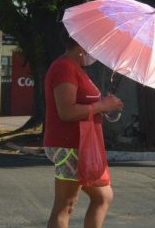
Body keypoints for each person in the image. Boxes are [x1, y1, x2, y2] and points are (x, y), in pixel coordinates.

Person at [44, 32, 124, 228]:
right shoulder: (64, 68)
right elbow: (66, 112)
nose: (95, 51)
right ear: (81, 46)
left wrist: (105, 105)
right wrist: (101, 106)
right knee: (66, 205)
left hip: (82, 144)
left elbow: (84, 104)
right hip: (69, 144)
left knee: (103, 196)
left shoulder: (75, 68)